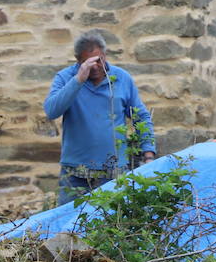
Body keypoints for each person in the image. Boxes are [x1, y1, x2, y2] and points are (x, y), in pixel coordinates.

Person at [44, 32, 156, 204]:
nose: (95, 67)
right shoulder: (65, 78)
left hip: (114, 170)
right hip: (75, 172)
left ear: (105, 55)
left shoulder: (121, 78)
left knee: (113, 222)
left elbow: (140, 117)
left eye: (99, 60)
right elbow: (52, 111)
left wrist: (148, 155)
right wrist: (78, 80)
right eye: (88, 63)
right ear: (78, 60)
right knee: (69, 224)